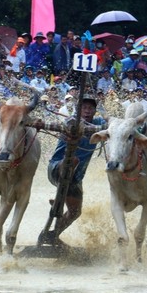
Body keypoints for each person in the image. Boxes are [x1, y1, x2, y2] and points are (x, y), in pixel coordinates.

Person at [39, 96, 105, 245]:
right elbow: (66, 125)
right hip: (57, 168)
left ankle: (51, 235)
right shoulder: (70, 122)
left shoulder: (99, 123)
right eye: (84, 108)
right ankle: (60, 197)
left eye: (90, 108)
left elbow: (110, 125)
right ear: (78, 110)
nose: (87, 111)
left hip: (76, 178)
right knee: (73, 160)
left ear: (95, 111)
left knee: (75, 212)